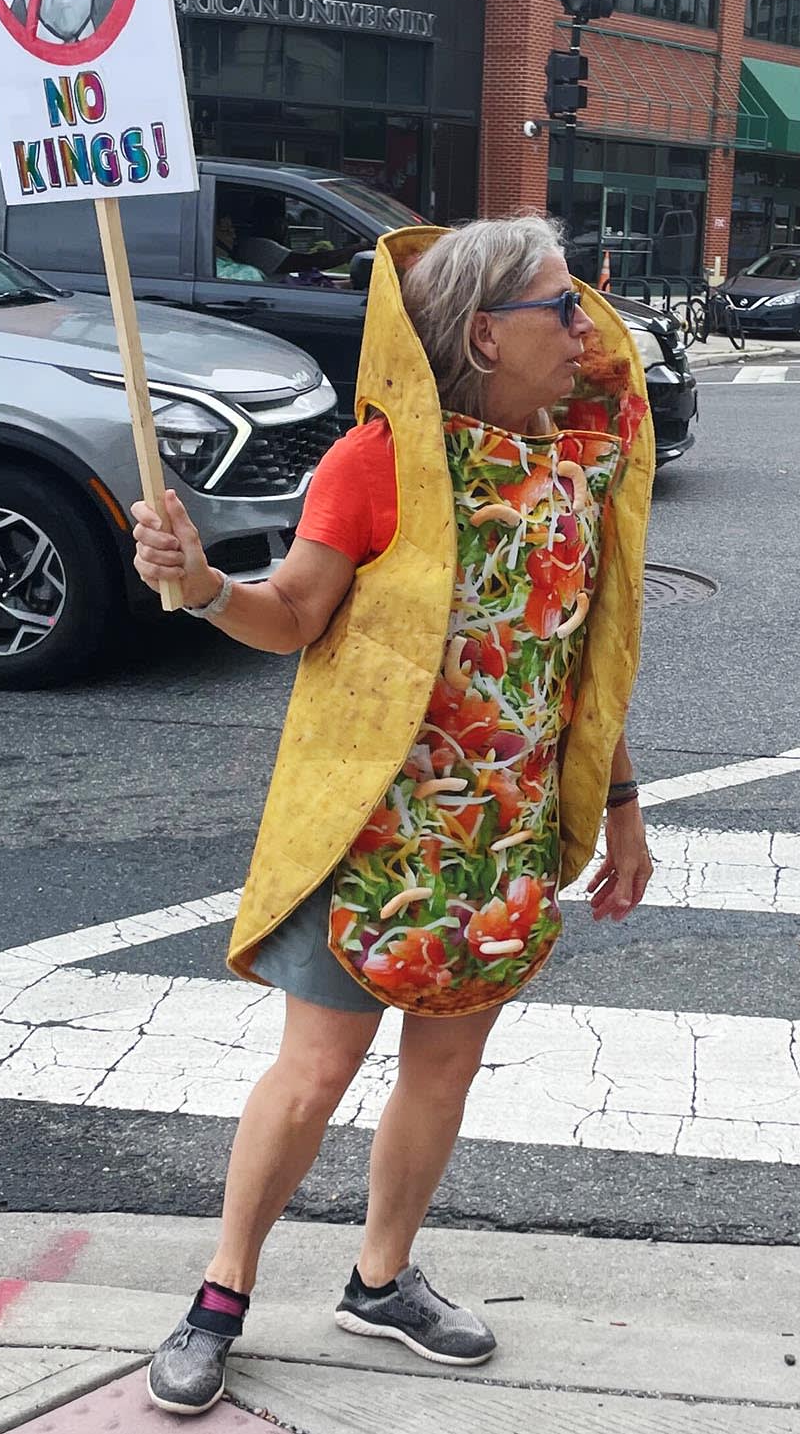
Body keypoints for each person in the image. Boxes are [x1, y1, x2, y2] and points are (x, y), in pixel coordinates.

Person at [131, 214, 657, 1416]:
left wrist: (622, 805)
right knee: (315, 1071)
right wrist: (203, 587)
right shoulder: (376, 462)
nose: (585, 329)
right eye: (560, 306)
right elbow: (291, 615)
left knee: (444, 1068)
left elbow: (579, 670)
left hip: (500, 835)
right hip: (367, 828)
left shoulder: (581, 469)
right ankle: (220, 1293)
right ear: (484, 335)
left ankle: (380, 1278)